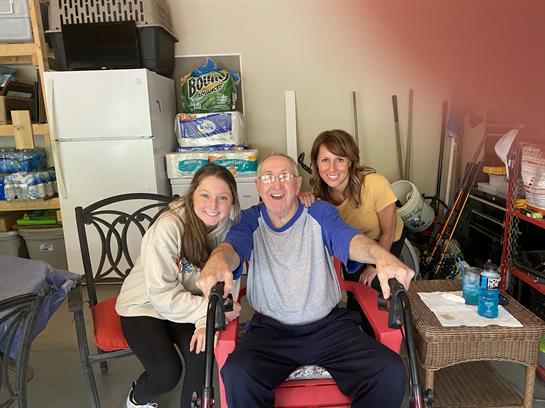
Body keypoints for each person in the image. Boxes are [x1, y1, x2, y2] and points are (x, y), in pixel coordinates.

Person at [196, 153, 414, 408]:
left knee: (389, 371)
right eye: (268, 177)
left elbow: (347, 238)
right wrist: (218, 260)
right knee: (238, 374)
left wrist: (380, 256)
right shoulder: (250, 219)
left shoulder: (319, 212)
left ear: (298, 183)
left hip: (329, 328)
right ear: (258, 186)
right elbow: (232, 247)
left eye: (285, 176)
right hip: (271, 332)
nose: (277, 184)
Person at [115, 164, 242, 408]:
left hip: (189, 304)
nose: (213, 205)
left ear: (232, 202)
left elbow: (229, 285)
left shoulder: (232, 229)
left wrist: (206, 322)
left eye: (223, 197)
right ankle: (136, 398)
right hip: (145, 305)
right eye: (205, 195)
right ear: (192, 195)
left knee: (202, 359)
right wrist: (212, 312)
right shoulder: (169, 227)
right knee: (166, 374)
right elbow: (162, 295)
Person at [307, 129, 405, 291]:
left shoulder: (375, 184)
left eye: (339, 160)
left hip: (388, 238)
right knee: (355, 287)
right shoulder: (318, 197)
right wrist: (302, 197)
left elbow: (388, 232)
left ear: (350, 162)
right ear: (316, 163)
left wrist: (374, 266)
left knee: (377, 285)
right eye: (325, 160)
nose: (332, 169)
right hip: (355, 242)